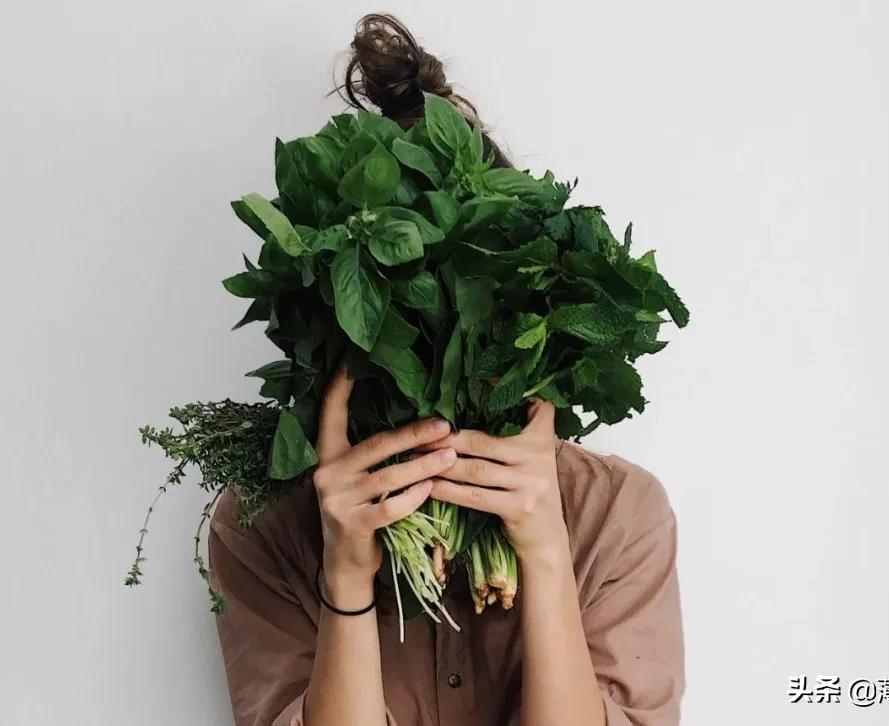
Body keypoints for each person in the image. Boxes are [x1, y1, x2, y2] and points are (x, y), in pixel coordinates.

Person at [207, 14, 685, 726]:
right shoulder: (265, 524)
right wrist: (346, 574)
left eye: (465, 321)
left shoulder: (615, 515)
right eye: (402, 331)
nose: (435, 381)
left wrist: (546, 556)